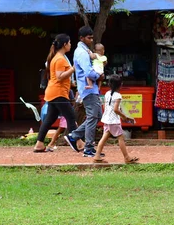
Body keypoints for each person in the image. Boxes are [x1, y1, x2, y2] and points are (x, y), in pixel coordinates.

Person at [64, 26, 104, 157]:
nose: (91, 40)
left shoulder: (85, 50)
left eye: (92, 37)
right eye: (89, 37)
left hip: (91, 89)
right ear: (81, 38)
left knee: (97, 115)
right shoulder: (81, 52)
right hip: (88, 89)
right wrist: (99, 76)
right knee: (93, 117)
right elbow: (88, 71)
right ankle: (88, 148)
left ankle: (74, 136)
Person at [34, 34, 77, 153]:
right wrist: (73, 69)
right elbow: (59, 77)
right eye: (69, 43)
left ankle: (39, 144)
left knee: (49, 119)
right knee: (71, 117)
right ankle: (77, 142)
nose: (70, 45)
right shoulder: (59, 59)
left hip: (54, 92)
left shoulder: (57, 57)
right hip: (58, 93)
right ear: (64, 44)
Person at [94, 74, 139, 164]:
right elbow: (115, 109)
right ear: (120, 85)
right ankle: (126, 157)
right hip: (114, 120)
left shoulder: (107, 94)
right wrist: (124, 116)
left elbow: (106, 106)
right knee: (120, 138)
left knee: (104, 137)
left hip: (107, 119)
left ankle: (97, 156)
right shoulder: (118, 96)